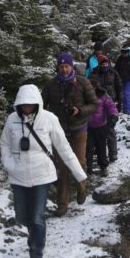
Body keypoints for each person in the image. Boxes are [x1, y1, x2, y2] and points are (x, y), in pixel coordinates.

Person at [0, 84, 88, 258]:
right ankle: (34, 237)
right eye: (23, 105)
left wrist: (80, 175)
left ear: (37, 103)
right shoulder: (11, 120)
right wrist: (9, 165)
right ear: (18, 104)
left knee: (38, 217)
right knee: (23, 216)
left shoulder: (49, 119)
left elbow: (64, 148)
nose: (27, 108)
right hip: (18, 176)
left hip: (42, 175)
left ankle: (36, 256)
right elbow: (5, 144)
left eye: (31, 104)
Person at [41, 51, 98, 216]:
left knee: (79, 163)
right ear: (58, 67)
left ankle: (82, 187)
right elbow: (41, 104)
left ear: (71, 66)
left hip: (79, 129)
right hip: (59, 132)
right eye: (61, 66)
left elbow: (94, 104)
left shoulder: (82, 82)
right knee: (62, 168)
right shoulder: (52, 85)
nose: (64, 69)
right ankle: (62, 204)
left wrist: (80, 110)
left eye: (66, 66)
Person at [88, 54, 122, 162]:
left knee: (110, 130)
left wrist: (120, 101)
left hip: (109, 101)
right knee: (96, 131)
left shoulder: (113, 72)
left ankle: (113, 153)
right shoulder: (94, 73)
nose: (105, 65)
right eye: (103, 64)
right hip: (97, 103)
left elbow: (119, 86)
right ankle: (96, 152)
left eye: (106, 63)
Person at [86, 85, 119, 176]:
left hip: (101, 126)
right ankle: (87, 167)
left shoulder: (103, 96)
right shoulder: (83, 95)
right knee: (88, 148)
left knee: (101, 148)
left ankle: (103, 166)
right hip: (87, 126)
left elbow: (111, 106)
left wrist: (113, 116)